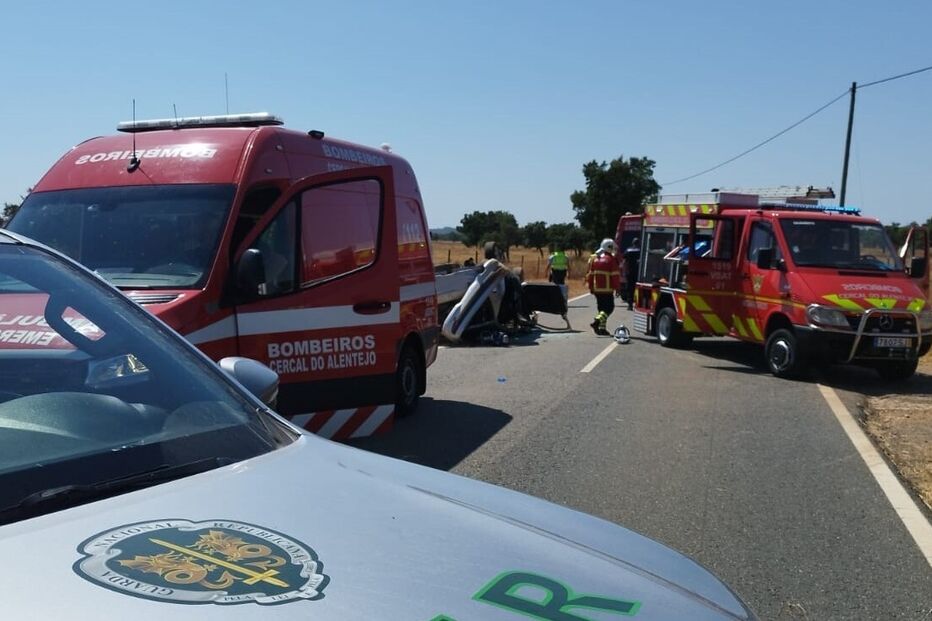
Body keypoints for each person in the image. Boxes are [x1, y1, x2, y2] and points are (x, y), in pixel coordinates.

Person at [586, 238, 620, 336]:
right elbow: (615, 276)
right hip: (607, 290)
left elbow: (590, 275)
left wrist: (591, 287)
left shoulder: (595, 259)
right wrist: (617, 288)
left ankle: (602, 329)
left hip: (597, 290)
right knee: (609, 308)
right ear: (610, 247)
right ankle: (596, 322)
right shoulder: (611, 260)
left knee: (601, 310)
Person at [621, 237, 640, 311]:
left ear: (632, 243)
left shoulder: (628, 250)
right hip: (638, 272)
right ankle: (638, 304)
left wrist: (624, 272)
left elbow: (624, 261)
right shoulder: (640, 250)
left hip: (629, 272)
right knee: (638, 288)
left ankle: (630, 305)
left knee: (630, 289)